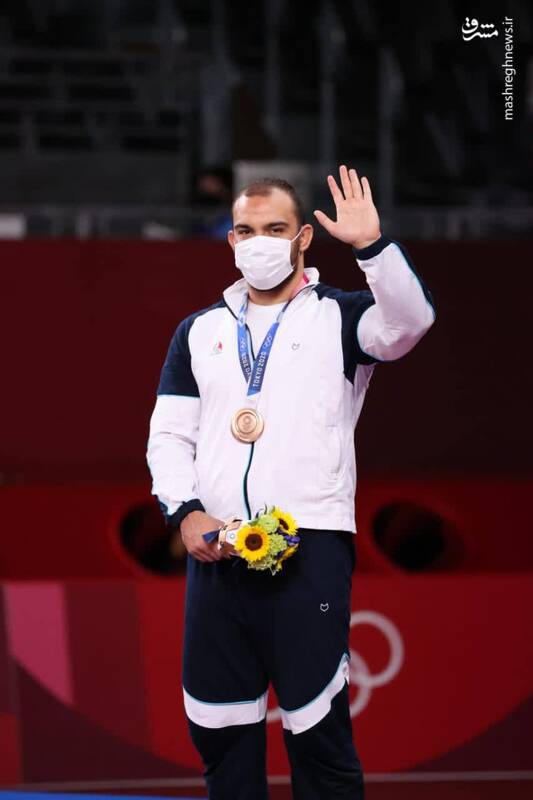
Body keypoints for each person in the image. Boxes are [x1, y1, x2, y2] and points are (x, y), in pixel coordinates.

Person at [146, 165, 436, 799]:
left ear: (303, 237)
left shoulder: (343, 317)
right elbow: (168, 436)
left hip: (311, 547)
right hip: (218, 550)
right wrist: (185, 512)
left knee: (319, 737)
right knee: (221, 736)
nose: (260, 243)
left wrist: (372, 248)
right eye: (247, 231)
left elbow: (411, 323)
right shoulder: (199, 332)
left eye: (275, 229)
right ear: (231, 240)